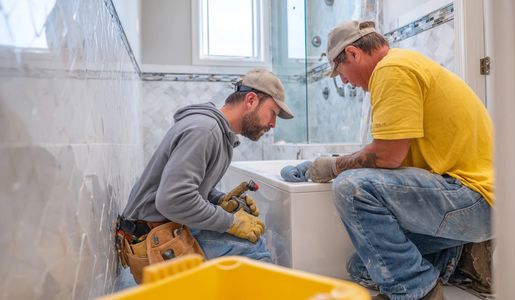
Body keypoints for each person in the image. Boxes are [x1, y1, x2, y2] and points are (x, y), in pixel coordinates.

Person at [306, 21, 494, 300]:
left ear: (354, 53)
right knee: (362, 266)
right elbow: (390, 158)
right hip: (474, 202)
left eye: (340, 71)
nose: (344, 81)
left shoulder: (391, 69)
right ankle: (462, 257)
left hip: (474, 198)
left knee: (352, 186)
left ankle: (418, 293)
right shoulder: (403, 65)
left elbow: (386, 157)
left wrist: (334, 166)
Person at [121, 68, 294, 264]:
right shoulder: (205, 130)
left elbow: (189, 188)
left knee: (249, 243)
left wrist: (219, 200)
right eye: (273, 113)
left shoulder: (218, 133)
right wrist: (231, 222)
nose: (273, 124)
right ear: (251, 100)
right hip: (152, 239)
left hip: (166, 226)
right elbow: (174, 199)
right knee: (255, 251)